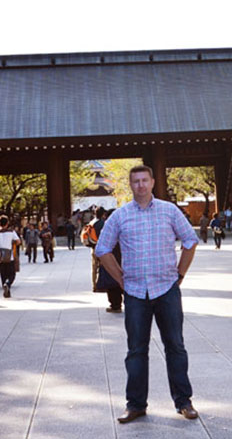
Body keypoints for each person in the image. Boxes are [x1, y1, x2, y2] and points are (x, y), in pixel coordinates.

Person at [95, 164, 200, 424]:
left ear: (152, 182)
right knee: (136, 350)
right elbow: (102, 248)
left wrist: (180, 274)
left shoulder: (169, 210)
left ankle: (184, 401)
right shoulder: (120, 216)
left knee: (175, 346)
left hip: (166, 289)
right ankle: (135, 405)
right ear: (130, 185)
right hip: (135, 292)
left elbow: (190, 240)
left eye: (144, 180)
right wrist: (120, 278)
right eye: (136, 181)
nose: (140, 185)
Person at [89, 208, 123, 313]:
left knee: (112, 282)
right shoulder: (125, 225)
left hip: (109, 257)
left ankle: (115, 305)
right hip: (123, 258)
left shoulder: (100, 225)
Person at [0, 215, 21, 298]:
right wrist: (12, 242)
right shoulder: (11, 232)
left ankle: (5, 288)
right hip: (10, 257)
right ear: (7, 223)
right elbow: (18, 241)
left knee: (3, 274)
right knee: (12, 274)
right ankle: (8, 283)